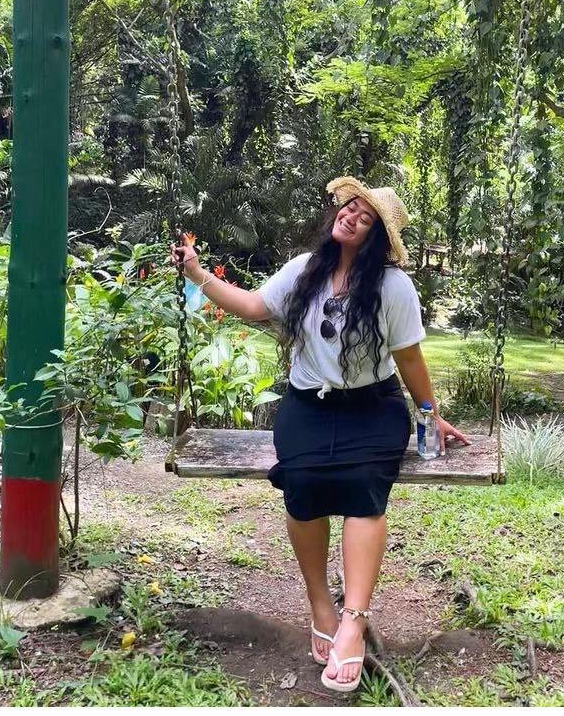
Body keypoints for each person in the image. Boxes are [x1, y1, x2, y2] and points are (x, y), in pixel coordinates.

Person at [172, 176, 470, 694]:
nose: (351, 215)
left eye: (366, 216)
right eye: (350, 206)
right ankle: (320, 604)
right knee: (303, 486)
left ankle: (353, 621)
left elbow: (409, 358)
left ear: (377, 237)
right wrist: (197, 274)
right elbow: (250, 306)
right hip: (309, 407)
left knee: (362, 489)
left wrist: (430, 413)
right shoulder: (304, 272)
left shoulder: (393, 288)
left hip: (372, 410)